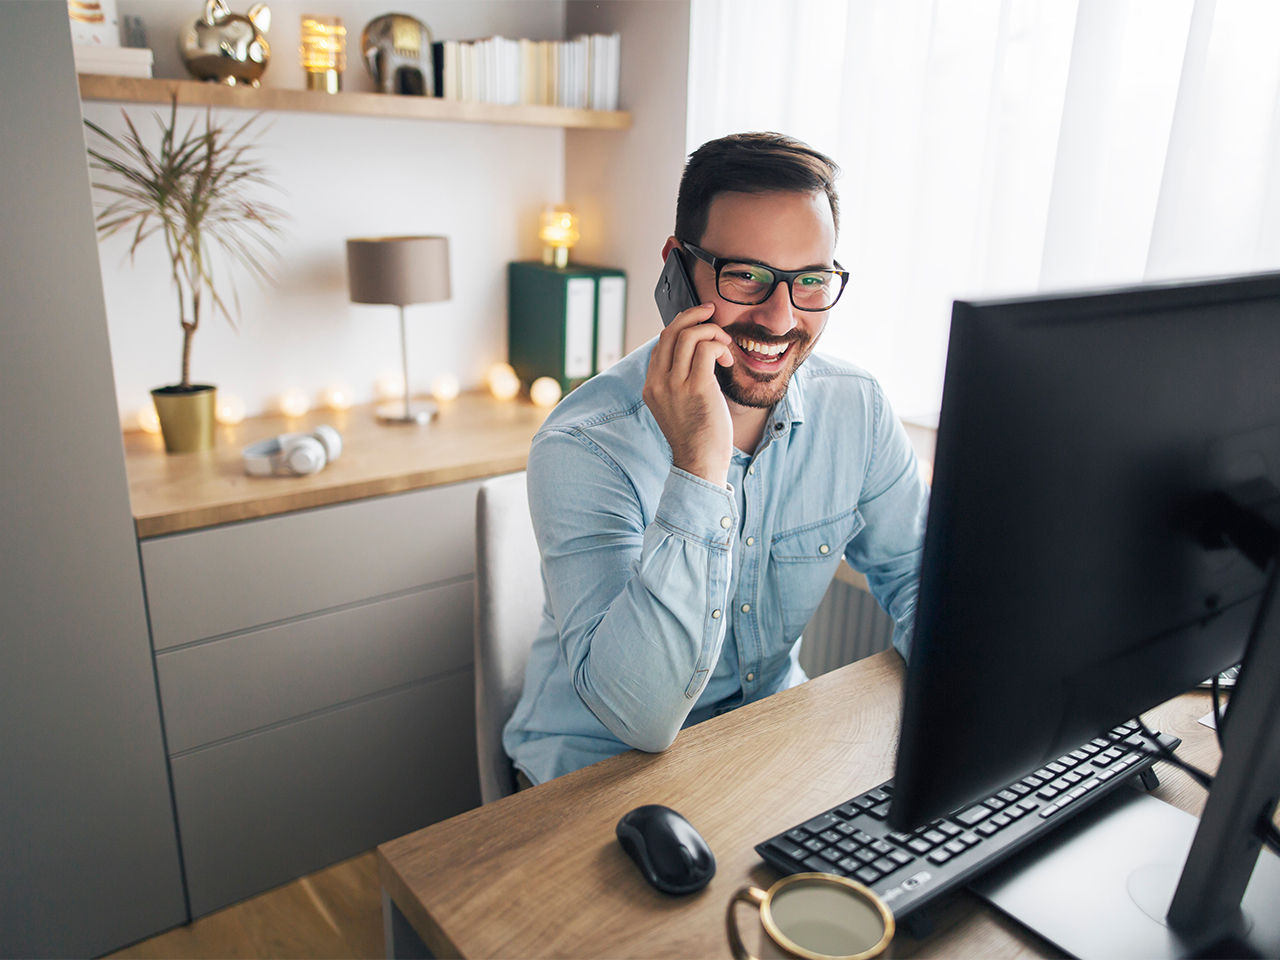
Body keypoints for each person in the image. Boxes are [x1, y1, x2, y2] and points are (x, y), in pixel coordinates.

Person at [503, 132, 929, 786]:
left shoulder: (859, 410)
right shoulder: (584, 442)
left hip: (765, 741)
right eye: (747, 276)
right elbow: (639, 720)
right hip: (593, 771)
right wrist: (699, 464)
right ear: (676, 268)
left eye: (810, 280)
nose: (781, 317)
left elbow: (921, 577)